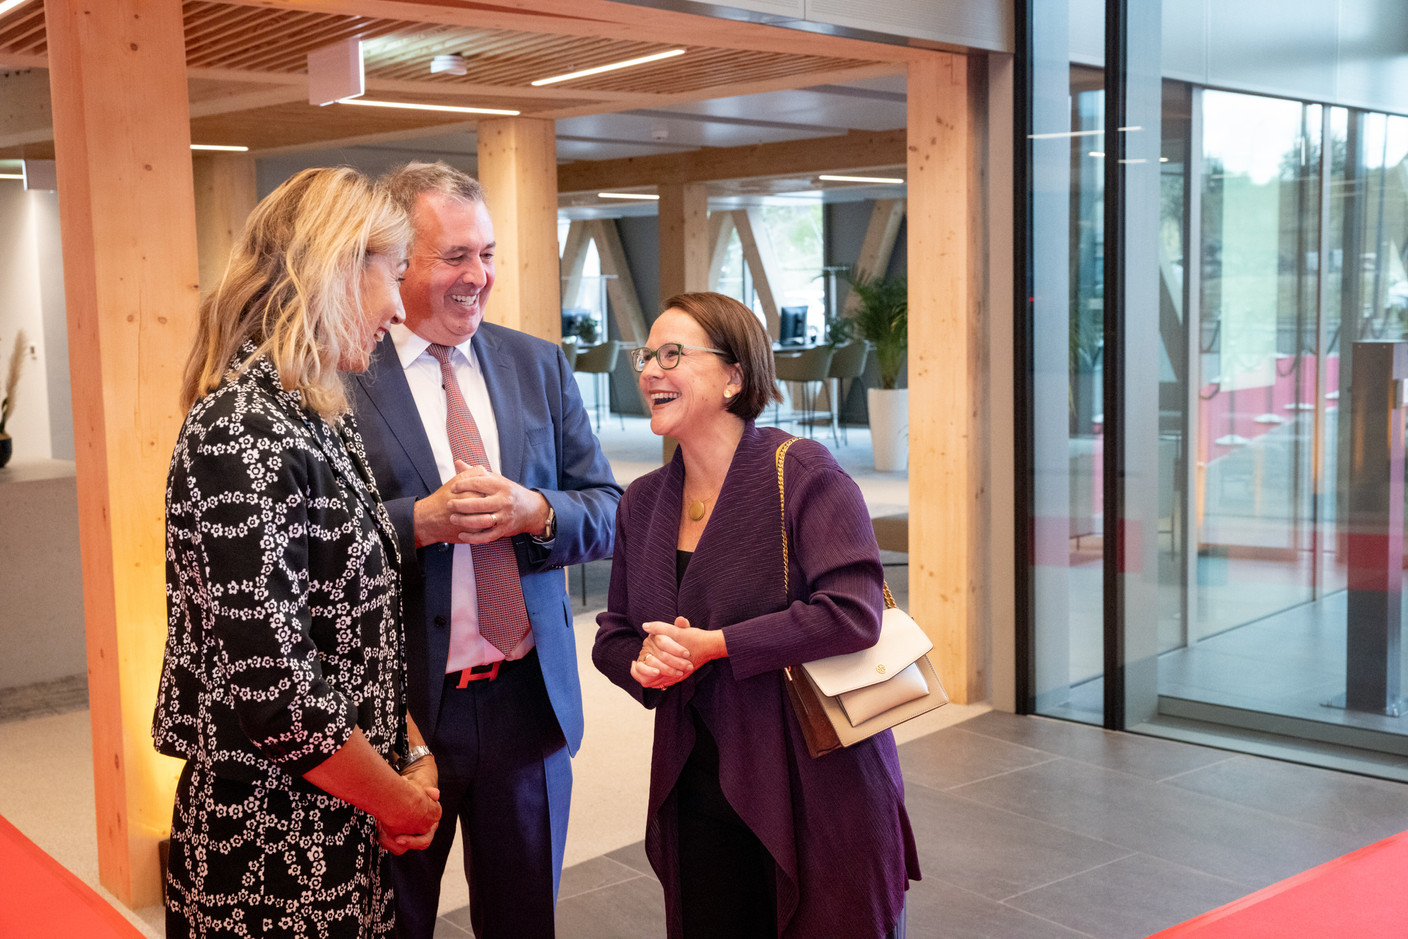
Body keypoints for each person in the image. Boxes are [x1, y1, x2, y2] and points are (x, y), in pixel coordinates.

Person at [153, 166, 444, 938]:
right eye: (392, 275)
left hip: (340, 818)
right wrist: (393, 794)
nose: (395, 306)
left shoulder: (319, 416)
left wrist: (409, 749)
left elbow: (352, 638)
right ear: (334, 267)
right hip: (270, 849)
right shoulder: (240, 429)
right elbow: (276, 686)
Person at [592, 291, 919, 938]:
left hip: (813, 777)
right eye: (646, 356)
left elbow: (853, 613)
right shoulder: (644, 501)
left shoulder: (802, 472)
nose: (651, 370)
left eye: (673, 353)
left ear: (735, 375)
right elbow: (615, 634)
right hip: (695, 784)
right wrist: (644, 661)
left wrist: (718, 645)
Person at [350, 161, 622, 938]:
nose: (479, 276)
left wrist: (536, 511)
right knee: (393, 920)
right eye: (455, 257)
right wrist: (420, 522)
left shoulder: (536, 363)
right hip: (399, 711)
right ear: (399, 259)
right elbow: (314, 543)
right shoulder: (345, 374)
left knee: (524, 918)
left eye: (489, 254)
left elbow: (608, 510)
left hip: (525, 702)